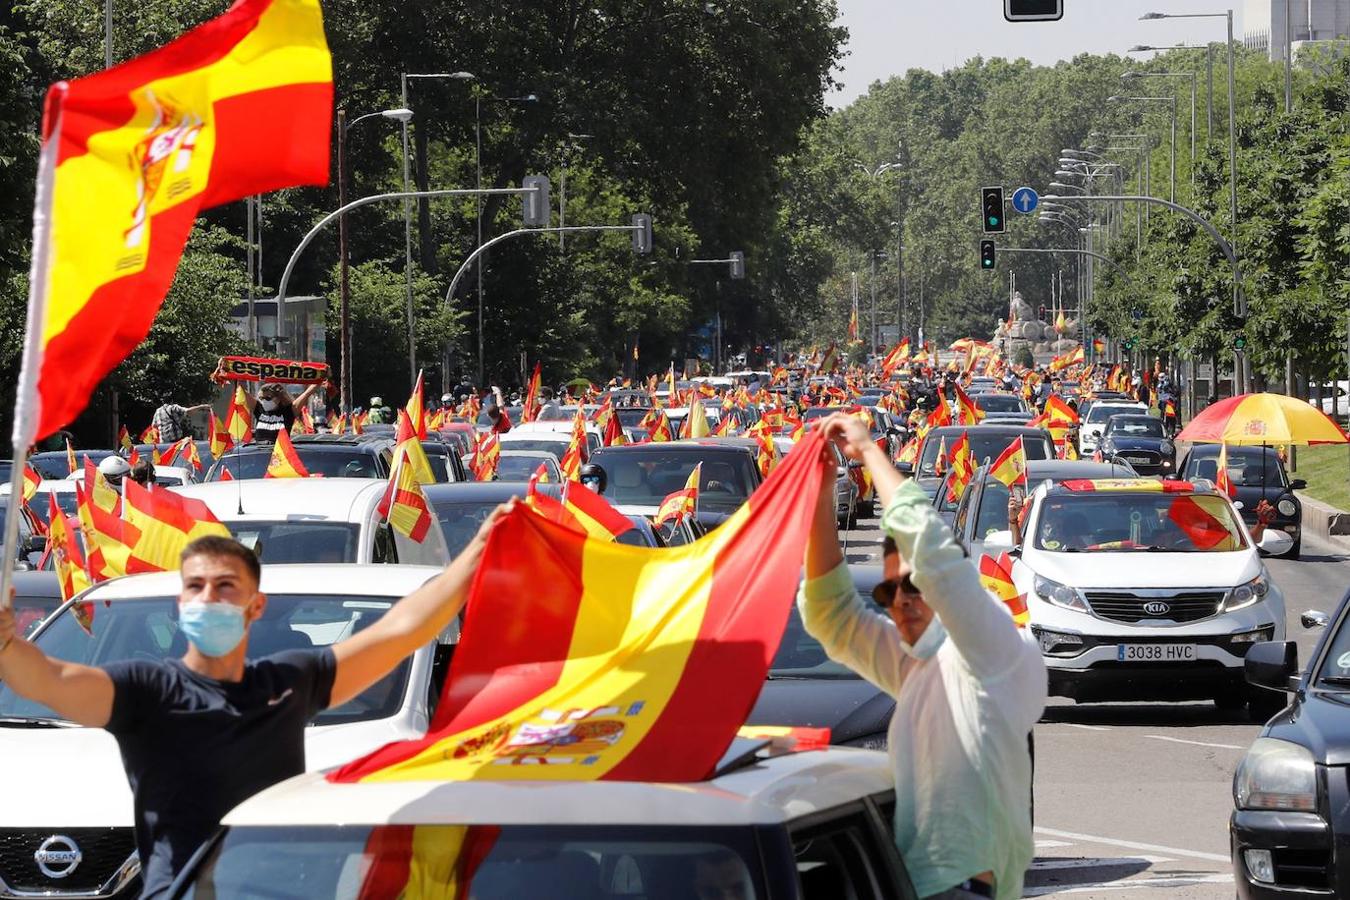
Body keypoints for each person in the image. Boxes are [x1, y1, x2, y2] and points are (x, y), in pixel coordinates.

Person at [0, 507, 511, 898]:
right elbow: (49, 679)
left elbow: (402, 630)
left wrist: (478, 550)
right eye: (196, 587)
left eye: (226, 587)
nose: (209, 599)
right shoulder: (144, 691)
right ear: (182, 604)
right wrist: (6, 645)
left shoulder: (291, 680)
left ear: (255, 605)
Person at [800, 413, 1046, 900]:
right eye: (889, 590)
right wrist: (822, 492)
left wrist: (870, 452)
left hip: (968, 888)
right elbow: (832, 615)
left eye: (914, 586)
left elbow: (930, 553)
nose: (901, 600)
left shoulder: (992, 650)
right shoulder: (917, 665)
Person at [251, 382, 320, 443]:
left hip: (279, 455)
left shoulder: (288, 412)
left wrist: (321, 377)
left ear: (278, 398)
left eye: (268, 398)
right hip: (259, 454)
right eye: (261, 398)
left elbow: (307, 393)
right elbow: (241, 390)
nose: (264, 401)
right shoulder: (259, 410)